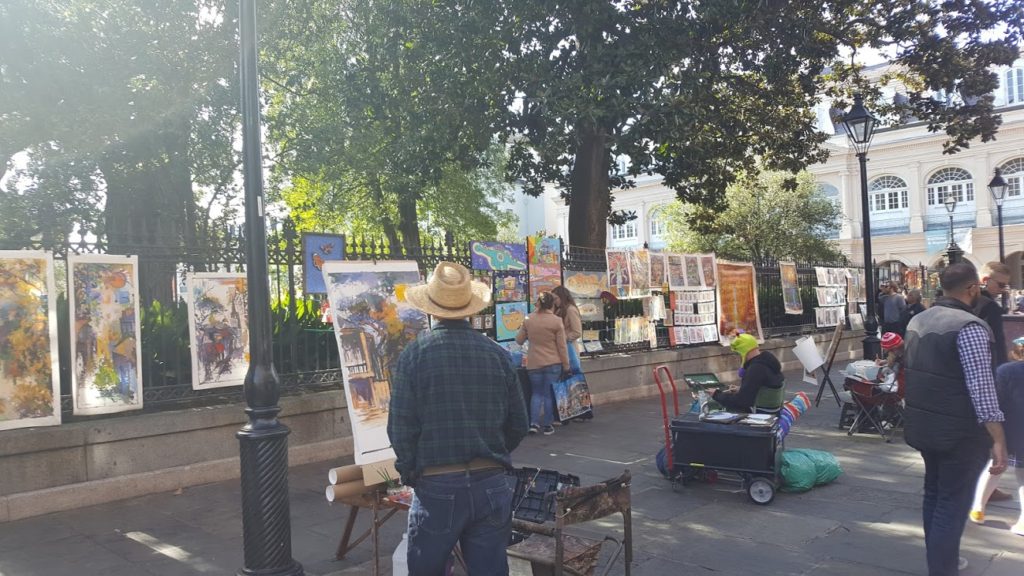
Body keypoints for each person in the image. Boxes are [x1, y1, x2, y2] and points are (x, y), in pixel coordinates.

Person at [389, 261, 529, 576]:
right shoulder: (497, 355)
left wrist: (410, 470)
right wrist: (490, 449)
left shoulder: (414, 356)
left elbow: (401, 429)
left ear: (430, 309)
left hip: (437, 482)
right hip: (491, 481)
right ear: (469, 309)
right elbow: (519, 423)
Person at [903, 263, 1008, 575]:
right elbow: (982, 389)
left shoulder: (917, 321)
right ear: (973, 288)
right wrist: (999, 439)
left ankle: (942, 561)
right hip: (960, 433)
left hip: (925, 426)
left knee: (934, 495)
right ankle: (943, 567)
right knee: (951, 502)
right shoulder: (970, 327)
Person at [969, 336, 1024, 536]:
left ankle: (978, 508)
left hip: (1007, 428)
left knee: (995, 467)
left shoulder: (1004, 371)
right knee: (1022, 474)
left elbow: (995, 400)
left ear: (1015, 353)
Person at [516, 291, 571, 435]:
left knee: (536, 393)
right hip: (553, 363)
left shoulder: (529, 319)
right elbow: (562, 346)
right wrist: (566, 365)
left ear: (538, 303)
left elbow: (519, 340)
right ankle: (547, 425)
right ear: (552, 304)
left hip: (534, 363)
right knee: (548, 394)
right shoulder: (556, 321)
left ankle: (533, 424)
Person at [711, 333, 785, 413]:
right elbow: (764, 387)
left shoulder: (755, 369)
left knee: (722, 411)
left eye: (738, 354)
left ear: (743, 352)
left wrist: (717, 395)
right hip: (774, 410)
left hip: (760, 412)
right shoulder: (768, 362)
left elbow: (742, 401)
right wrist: (741, 389)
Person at [551, 285, 592, 422]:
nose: (554, 301)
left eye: (556, 298)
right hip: (561, 350)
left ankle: (582, 411)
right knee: (566, 382)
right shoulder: (559, 310)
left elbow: (577, 332)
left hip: (569, 350)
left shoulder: (570, 310)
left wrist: (563, 338)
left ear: (562, 297)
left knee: (575, 381)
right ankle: (569, 412)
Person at [976, 261, 1011, 368]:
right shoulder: (990, 307)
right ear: (985, 280)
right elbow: (998, 344)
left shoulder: (968, 300)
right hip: (987, 365)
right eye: (1001, 285)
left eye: (1005, 286)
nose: (1002, 290)